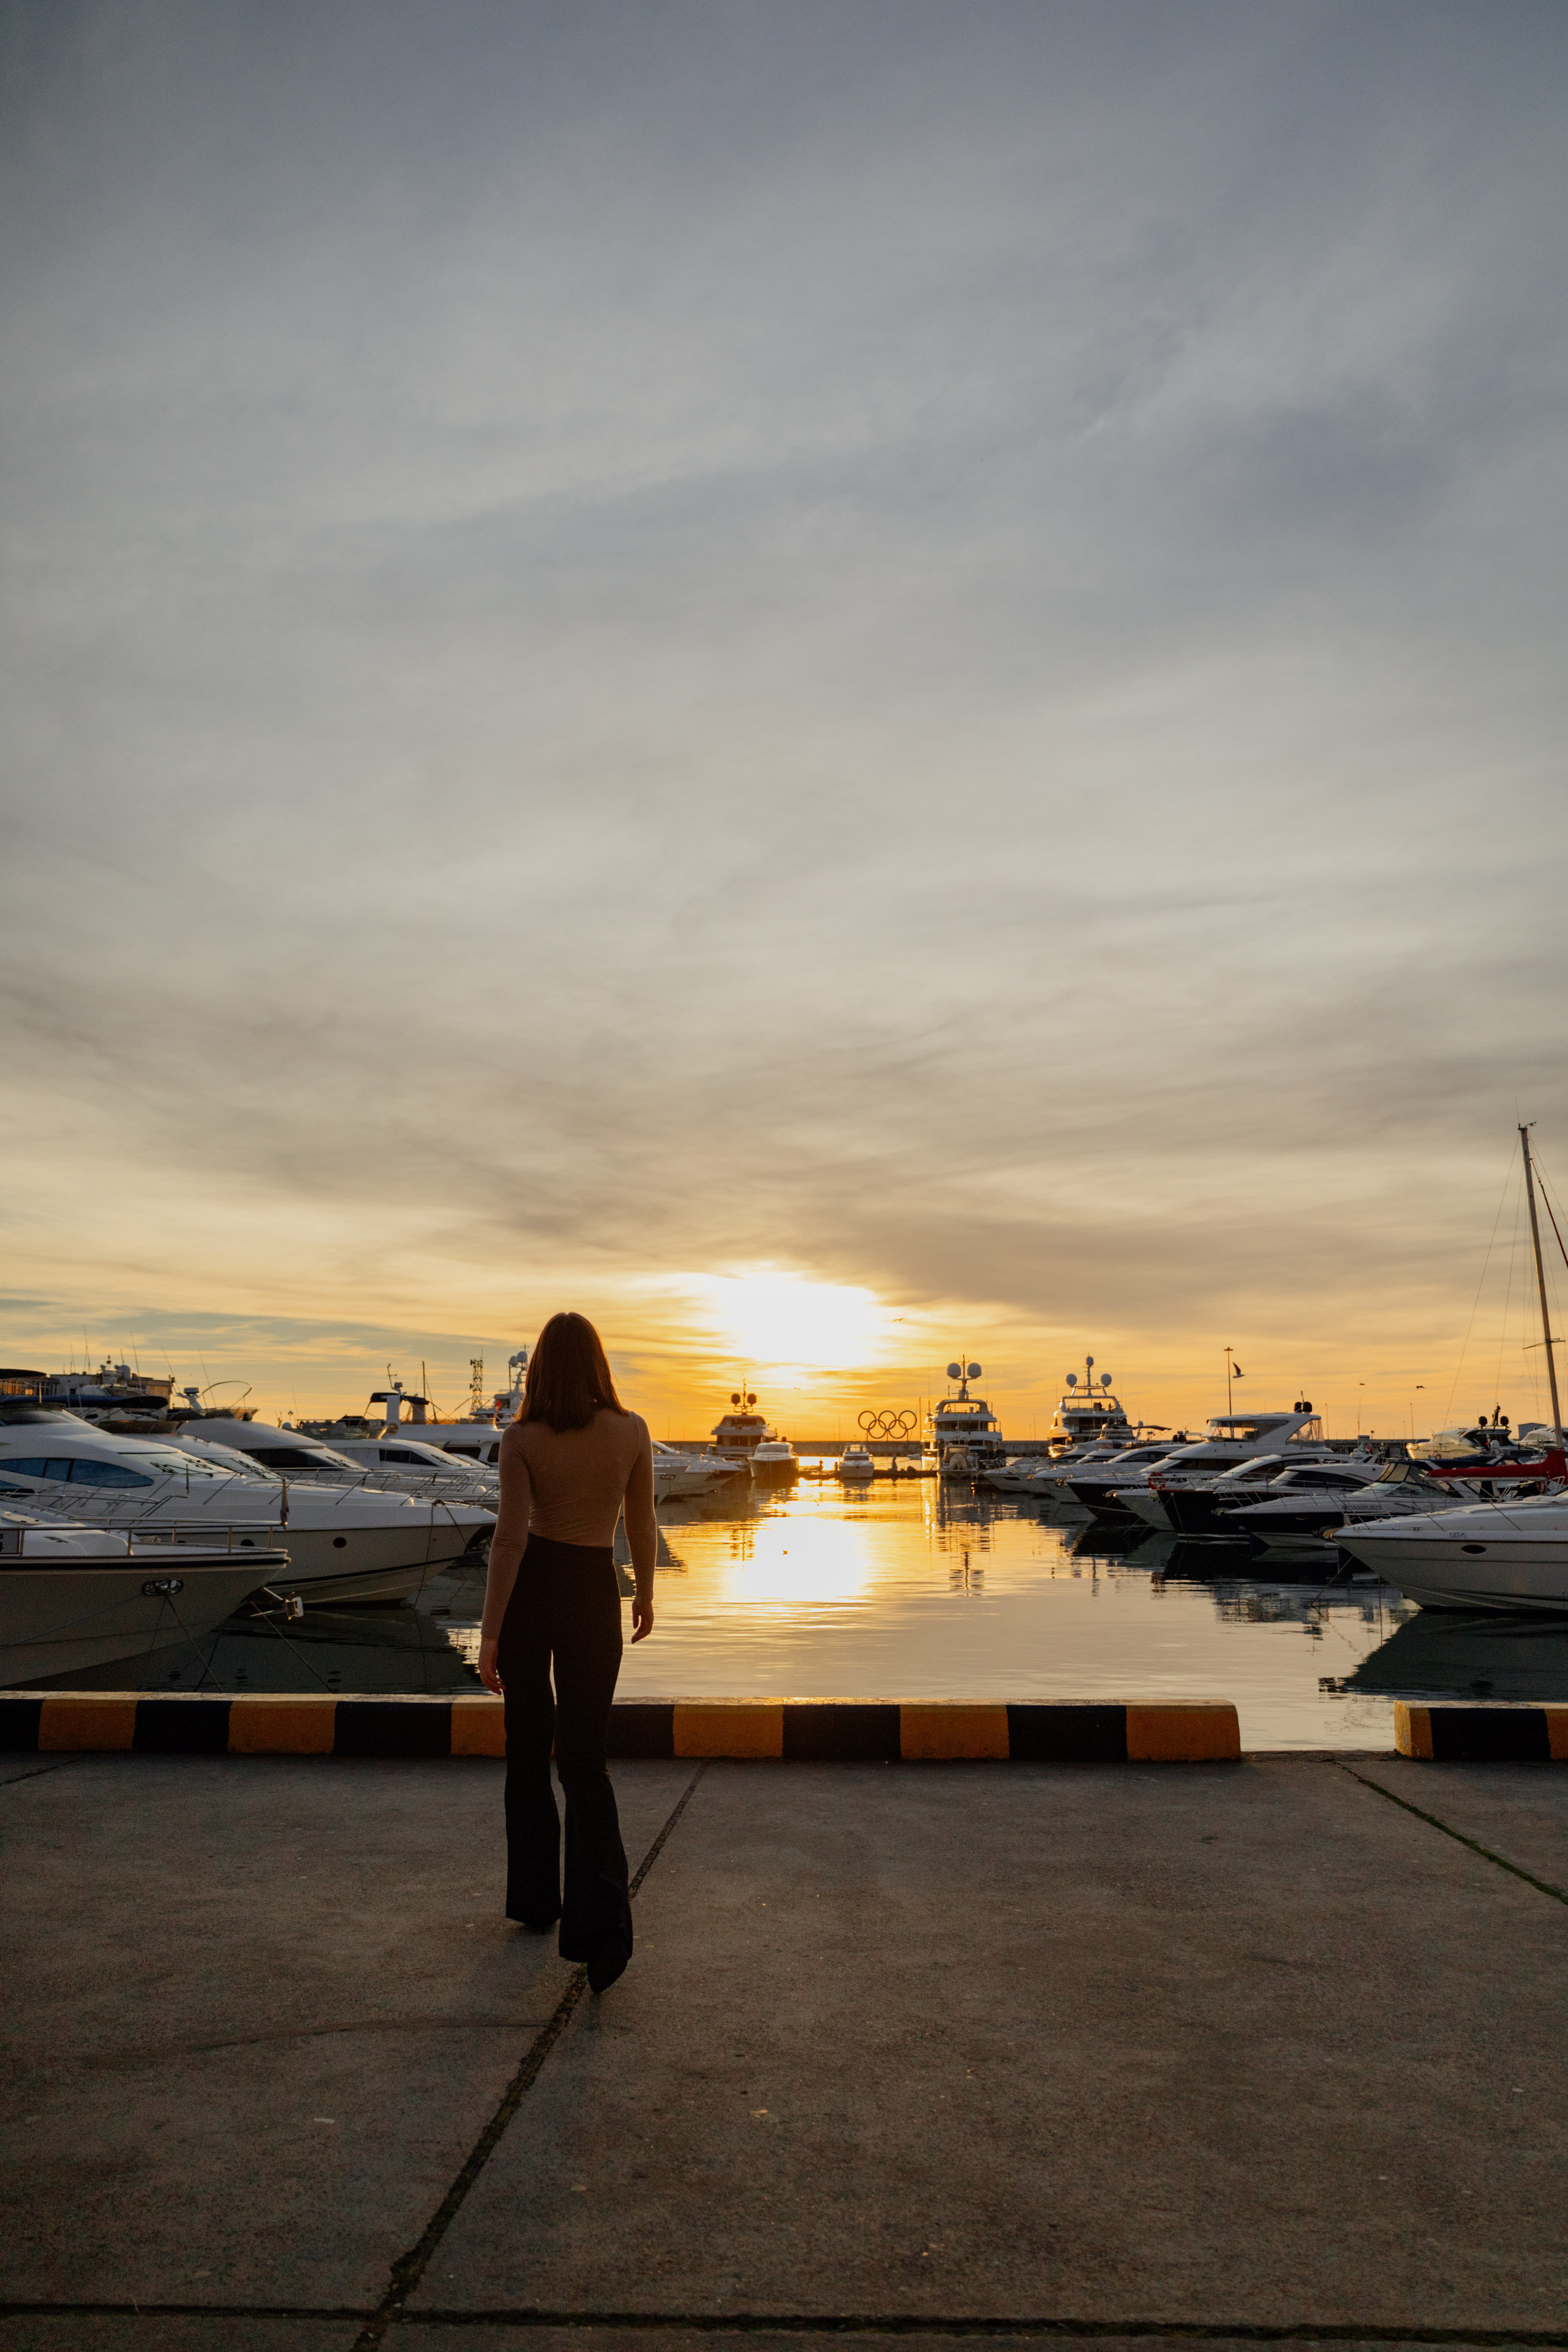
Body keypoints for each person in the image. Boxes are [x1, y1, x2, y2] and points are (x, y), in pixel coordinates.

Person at [477, 1312, 655, 1992]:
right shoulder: (631, 1430)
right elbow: (640, 1519)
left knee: (527, 1749)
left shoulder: (520, 1437)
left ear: (543, 1367)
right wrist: (642, 1591)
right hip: (591, 1589)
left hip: (531, 1595)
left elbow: (511, 1540)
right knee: (585, 1762)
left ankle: (533, 1901)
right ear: (599, 1363)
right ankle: (603, 1931)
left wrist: (491, 1631)